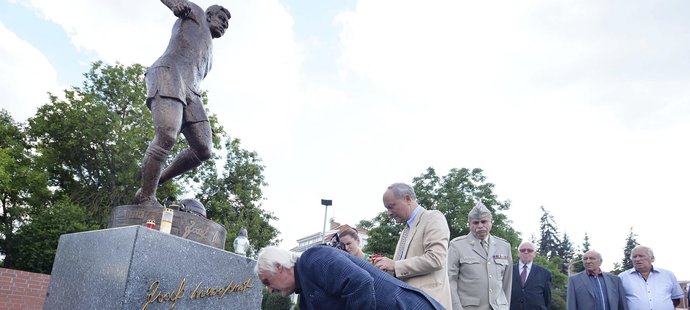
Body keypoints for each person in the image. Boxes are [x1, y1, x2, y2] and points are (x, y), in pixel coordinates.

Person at [135, 0, 231, 208]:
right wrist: (175, 5)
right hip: (170, 73)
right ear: (209, 15)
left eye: (227, 24)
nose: (224, 25)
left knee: (203, 148)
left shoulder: (210, 53)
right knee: (167, 135)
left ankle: (153, 182)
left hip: (191, 92)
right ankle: (146, 198)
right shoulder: (195, 13)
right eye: (221, 19)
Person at [255, 245, 445, 310]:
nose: (269, 290)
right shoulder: (305, 297)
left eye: (267, 281)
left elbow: (360, 283)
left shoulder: (314, 258)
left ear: (279, 267)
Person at [372, 183, 452, 309]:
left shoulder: (433, 217)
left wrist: (394, 265)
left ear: (408, 199)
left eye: (391, 206)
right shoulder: (406, 229)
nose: (389, 213)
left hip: (428, 303)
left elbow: (436, 259)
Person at [448, 201, 512, 310]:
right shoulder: (457, 245)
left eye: (484, 221)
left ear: (491, 222)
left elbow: (507, 283)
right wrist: (456, 307)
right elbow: (450, 281)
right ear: (469, 224)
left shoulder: (504, 246)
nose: (480, 226)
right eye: (476, 223)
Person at [619, 245, 683, 310]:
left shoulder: (668, 275)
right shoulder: (622, 277)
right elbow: (618, 301)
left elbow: (676, 299)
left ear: (652, 258)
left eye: (641, 256)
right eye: (634, 257)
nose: (637, 259)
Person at [510, 241, 551, 310]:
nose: (526, 252)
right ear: (518, 253)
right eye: (523, 250)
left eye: (530, 250)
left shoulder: (544, 273)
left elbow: (547, 299)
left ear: (534, 254)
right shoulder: (509, 271)